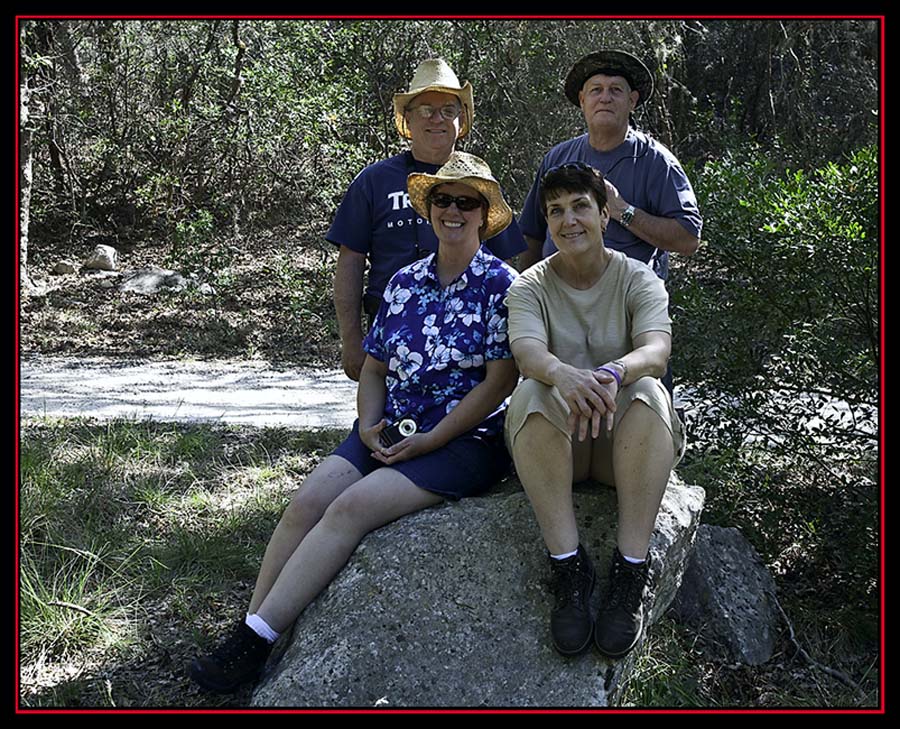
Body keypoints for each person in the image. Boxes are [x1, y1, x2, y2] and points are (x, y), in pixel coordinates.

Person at [190, 152, 520, 694]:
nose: (453, 210)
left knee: (351, 507)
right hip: (390, 424)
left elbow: (498, 384)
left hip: (462, 440)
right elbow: (373, 369)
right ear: (428, 208)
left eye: (467, 201)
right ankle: (250, 637)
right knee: (307, 503)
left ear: (484, 214)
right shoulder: (404, 283)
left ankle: (258, 638)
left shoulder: (502, 286)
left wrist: (433, 439)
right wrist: (369, 424)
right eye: (443, 199)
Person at [504, 162, 684, 659]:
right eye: (555, 211)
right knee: (530, 393)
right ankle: (568, 567)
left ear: (605, 215)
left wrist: (611, 374)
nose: (569, 220)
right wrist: (562, 374)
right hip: (559, 444)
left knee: (650, 392)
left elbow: (655, 351)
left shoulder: (638, 278)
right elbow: (526, 352)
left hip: (618, 449)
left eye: (581, 206)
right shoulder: (529, 286)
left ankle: (630, 571)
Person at [329, 58, 527, 381]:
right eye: (426, 110)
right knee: (385, 425)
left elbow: (505, 265)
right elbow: (350, 262)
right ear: (407, 119)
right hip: (390, 337)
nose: (437, 119)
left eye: (448, 110)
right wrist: (351, 340)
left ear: (461, 121)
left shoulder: (481, 184)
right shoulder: (373, 182)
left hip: (469, 340)